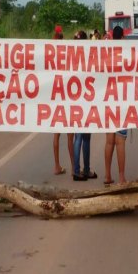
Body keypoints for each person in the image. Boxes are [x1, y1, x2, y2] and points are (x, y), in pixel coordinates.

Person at [72, 30, 97, 181]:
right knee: (83, 136)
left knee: (81, 136)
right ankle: (81, 170)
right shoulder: (88, 57)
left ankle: (81, 169)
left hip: (76, 99)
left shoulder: (71, 58)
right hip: (85, 100)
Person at [104, 25, 127, 185]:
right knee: (120, 141)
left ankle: (107, 175)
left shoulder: (107, 54)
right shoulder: (126, 55)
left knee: (109, 141)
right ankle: (120, 177)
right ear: (123, 37)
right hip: (122, 101)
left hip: (108, 100)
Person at [52, 26, 74, 175]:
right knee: (70, 136)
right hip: (66, 98)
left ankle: (57, 166)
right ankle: (74, 166)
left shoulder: (50, 55)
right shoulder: (66, 54)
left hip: (55, 99)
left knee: (56, 135)